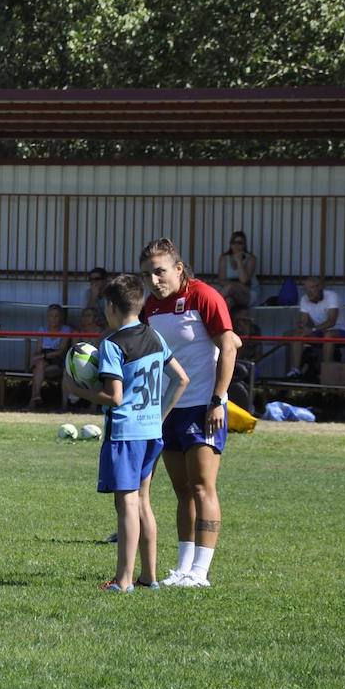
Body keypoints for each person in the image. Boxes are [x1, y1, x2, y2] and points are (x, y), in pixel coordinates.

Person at [63, 274, 189, 592]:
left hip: (125, 433)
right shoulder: (154, 337)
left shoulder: (112, 344)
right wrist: (158, 416)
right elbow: (182, 379)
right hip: (150, 431)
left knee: (128, 504)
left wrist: (76, 388)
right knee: (143, 501)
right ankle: (149, 576)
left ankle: (124, 580)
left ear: (110, 307)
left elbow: (114, 397)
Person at [140, 238, 240, 588]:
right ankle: (183, 568)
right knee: (182, 489)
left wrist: (218, 399)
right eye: (148, 274)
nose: (154, 280)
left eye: (160, 272)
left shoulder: (204, 296)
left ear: (178, 269)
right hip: (169, 409)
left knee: (202, 487)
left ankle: (201, 572)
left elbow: (229, 345)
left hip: (204, 406)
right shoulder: (150, 307)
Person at [286, 276, 345, 376]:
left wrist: (312, 329)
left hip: (342, 331)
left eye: (312, 288)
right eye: (305, 289)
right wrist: (301, 326)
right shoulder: (304, 299)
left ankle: (325, 371)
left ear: (320, 287)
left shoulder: (331, 296)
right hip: (320, 332)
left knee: (328, 335)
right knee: (297, 334)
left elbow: (332, 321)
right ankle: (295, 370)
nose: (308, 292)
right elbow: (303, 320)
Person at [27, 304, 70, 410]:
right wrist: (37, 357)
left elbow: (60, 351)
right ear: (47, 317)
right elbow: (37, 350)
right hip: (43, 360)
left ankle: (33, 400)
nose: (54, 319)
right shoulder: (42, 330)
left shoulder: (66, 330)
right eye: (51, 316)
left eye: (56, 316)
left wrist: (44, 355)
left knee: (38, 369)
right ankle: (35, 397)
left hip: (57, 362)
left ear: (61, 317)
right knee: (39, 365)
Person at [216, 231, 261, 313]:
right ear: (230, 244)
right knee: (229, 301)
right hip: (231, 292)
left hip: (248, 292)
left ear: (244, 245)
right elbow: (221, 280)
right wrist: (236, 285)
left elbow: (244, 280)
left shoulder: (251, 259)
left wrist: (239, 261)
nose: (236, 246)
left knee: (231, 287)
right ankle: (225, 325)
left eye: (240, 243)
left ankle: (213, 304)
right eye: (234, 243)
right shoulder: (224, 258)